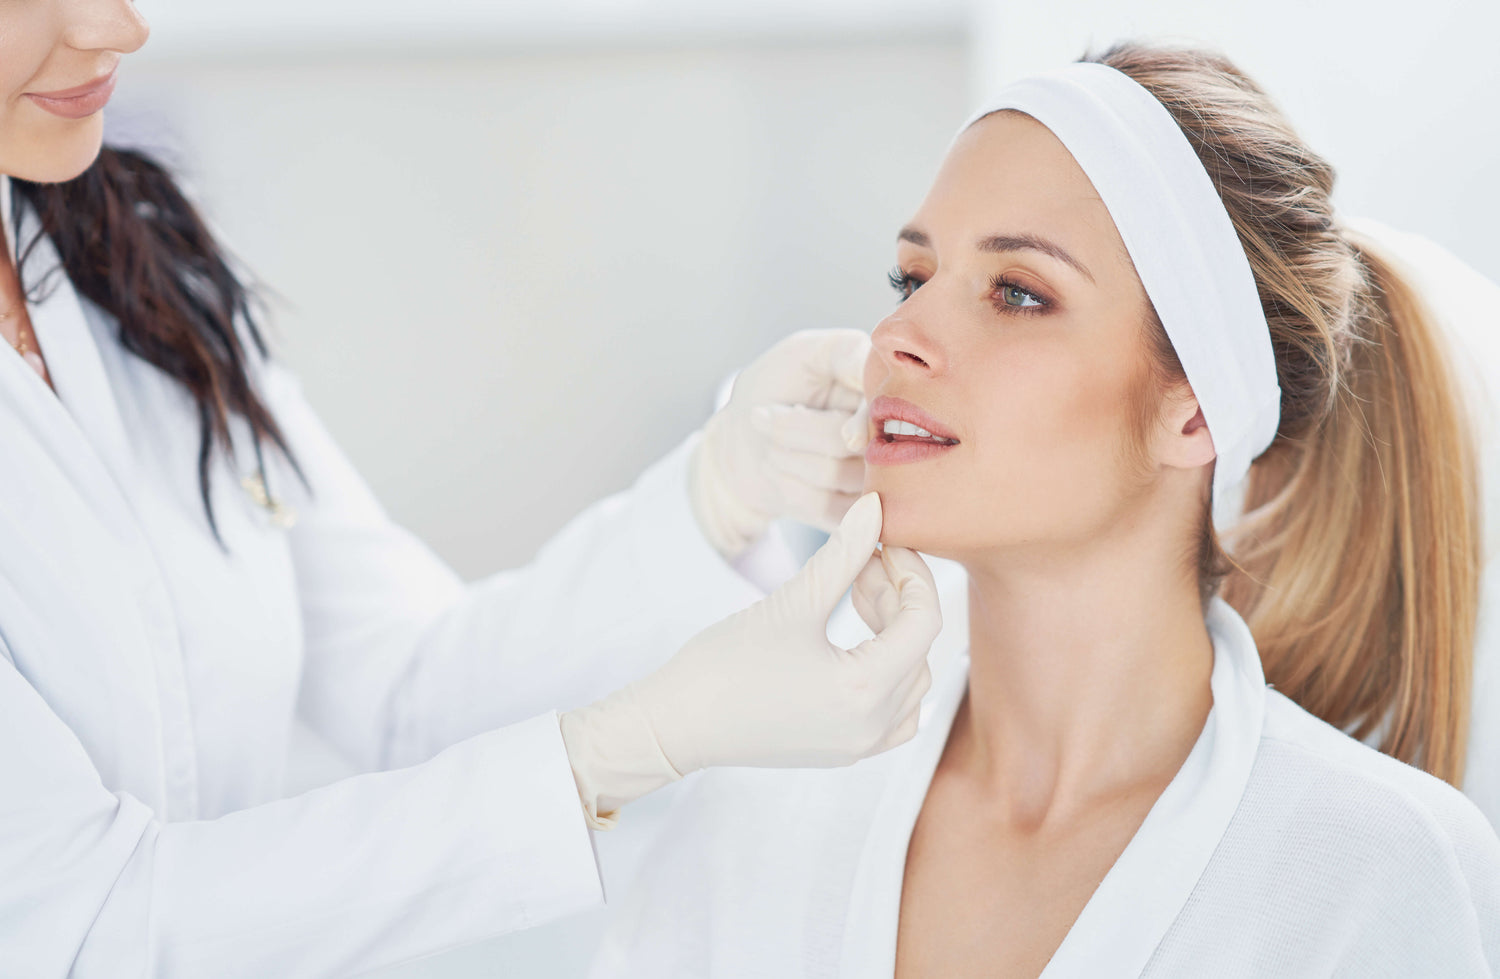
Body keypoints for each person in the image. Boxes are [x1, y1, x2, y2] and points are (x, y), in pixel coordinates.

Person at [0, 1, 944, 976]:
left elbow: (406, 687)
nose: (118, 29)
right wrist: (615, 753)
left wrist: (715, 496)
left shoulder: (124, 255)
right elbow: (81, 921)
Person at [589, 43, 1500, 978]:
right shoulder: (758, 811)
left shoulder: (1366, 876)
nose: (897, 337)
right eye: (912, 278)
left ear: (1195, 409)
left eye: (1018, 293)